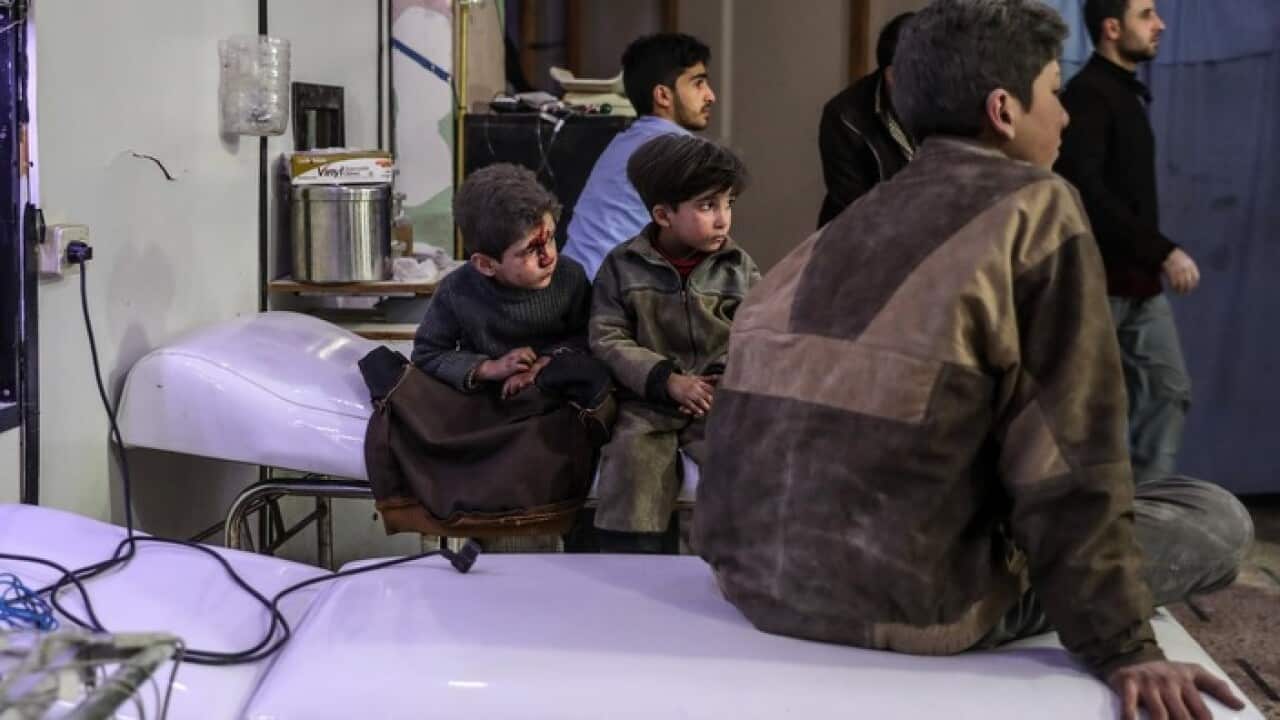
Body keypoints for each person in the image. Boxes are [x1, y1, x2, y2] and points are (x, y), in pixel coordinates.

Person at [693, 2, 1252, 719]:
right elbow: (1071, 458)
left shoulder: (846, 223)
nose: (1066, 116)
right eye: (1053, 91)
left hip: (760, 584)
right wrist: (1123, 646)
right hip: (915, 601)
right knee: (1213, 515)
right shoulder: (1038, 205)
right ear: (1003, 110)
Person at [362, 164, 613, 539]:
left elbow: (588, 340)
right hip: (488, 404)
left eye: (550, 240)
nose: (548, 257)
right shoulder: (457, 291)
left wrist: (546, 365)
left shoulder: (572, 279)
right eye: (530, 250)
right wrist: (488, 368)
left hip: (549, 400)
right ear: (485, 264)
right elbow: (429, 354)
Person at [590, 134, 758, 553]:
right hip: (648, 404)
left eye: (728, 204)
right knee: (631, 466)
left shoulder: (739, 269)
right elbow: (607, 337)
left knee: (747, 461)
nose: (723, 220)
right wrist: (666, 380)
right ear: (663, 214)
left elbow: (759, 333)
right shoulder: (621, 267)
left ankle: (728, 564)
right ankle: (631, 573)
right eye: (707, 206)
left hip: (718, 404)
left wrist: (721, 379)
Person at [1055, 0, 1193, 486]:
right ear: (1112, 28)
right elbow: (1087, 192)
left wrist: (1153, 256)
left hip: (1137, 285)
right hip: (1099, 286)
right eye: (1147, 14)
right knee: (1080, 411)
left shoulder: (1120, 94)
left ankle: (1145, 515)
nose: (1160, 24)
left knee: (1167, 389)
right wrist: (1164, 250)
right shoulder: (1089, 95)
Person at [563, 33, 717, 280]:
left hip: (575, 289)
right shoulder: (683, 151)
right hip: (613, 300)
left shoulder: (622, 141)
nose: (710, 96)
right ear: (663, 96)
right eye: (698, 83)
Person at [816, 11, 916, 227]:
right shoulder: (844, 117)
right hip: (861, 241)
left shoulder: (951, 103)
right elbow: (855, 210)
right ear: (886, 71)